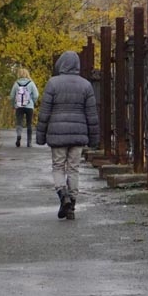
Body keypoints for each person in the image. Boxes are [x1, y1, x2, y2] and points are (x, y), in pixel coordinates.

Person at [35, 50, 99, 220]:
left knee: (58, 166)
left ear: (61, 64)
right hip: (78, 134)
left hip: (57, 134)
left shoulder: (53, 83)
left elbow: (45, 112)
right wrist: (94, 139)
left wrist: (40, 136)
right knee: (74, 168)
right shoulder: (86, 85)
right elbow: (91, 114)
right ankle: (72, 204)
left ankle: (63, 194)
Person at [10, 67, 40, 147]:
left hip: (19, 106)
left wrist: (13, 105)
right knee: (29, 123)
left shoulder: (16, 83)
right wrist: (33, 101)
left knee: (19, 122)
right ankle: (29, 142)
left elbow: (12, 96)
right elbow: (36, 95)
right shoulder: (31, 83)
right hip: (29, 106)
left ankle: (19, 135)